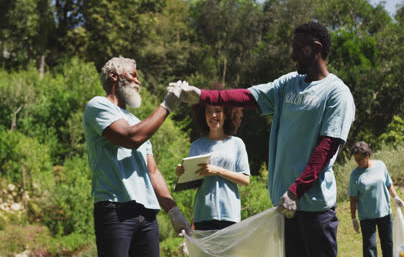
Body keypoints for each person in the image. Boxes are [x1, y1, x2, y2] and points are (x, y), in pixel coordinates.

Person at [172, 21, 355, 257]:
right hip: (285, 208)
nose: (292, 55)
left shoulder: (336, 93)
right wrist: (202, 95)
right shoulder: (289, 84)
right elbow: (249, 95)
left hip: (313, 208)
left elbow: (325, 149)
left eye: (298, 48)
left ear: (316, 48)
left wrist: (296, 191)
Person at [83, 56, 191, 257]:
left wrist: (173, 211)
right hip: (116, 212)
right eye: (133, 75)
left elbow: (152, 171)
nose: (138, 81)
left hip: (147, 216)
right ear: (114, 77)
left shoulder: (136, 121)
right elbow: (132, 138)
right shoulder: (97, 106)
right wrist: (167, 105)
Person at [176, 103, 250, 231]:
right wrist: (183, 173)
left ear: (226, 114)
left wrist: (217, 171)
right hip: (203, 215)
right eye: (209, 112)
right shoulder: (196, 145)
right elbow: (193, 184)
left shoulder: (237, 143)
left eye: (217, 111)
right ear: (203, 116)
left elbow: (245, 180)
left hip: (230, 214)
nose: (213, 115)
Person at [348, 141, 404, 257]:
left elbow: (388, 183)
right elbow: (353, 198)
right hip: (367, 217)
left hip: (384, 212)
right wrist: (353, 218)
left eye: (360, 159)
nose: (357, 162)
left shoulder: (380, 165)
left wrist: (396, 197)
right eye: (356, 159)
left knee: (388, 244)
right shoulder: (355, 175)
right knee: (370, 247)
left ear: (367, 155)